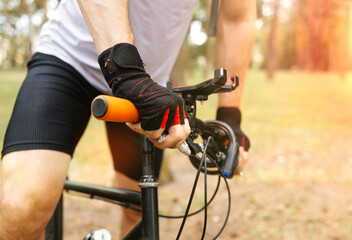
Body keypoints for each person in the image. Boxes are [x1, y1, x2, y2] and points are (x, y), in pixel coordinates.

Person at [0, 0, 256, 239]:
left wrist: (230, 116)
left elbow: (236, 17)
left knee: (137, 212)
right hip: (69, 60)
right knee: (19, 206)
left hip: (148, 85)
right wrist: (125, 71)